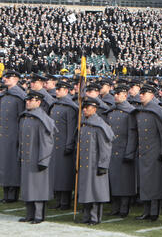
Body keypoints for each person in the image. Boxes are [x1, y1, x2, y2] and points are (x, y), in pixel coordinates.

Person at [18, 90, 57, 224]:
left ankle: (39, 215)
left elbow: (47, 143)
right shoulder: (25, 117)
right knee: (28, 187)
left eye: (31, 100)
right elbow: (21, 140)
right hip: (27, 158)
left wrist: (43, 160)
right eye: (27, 100)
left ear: (38, 102)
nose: (27, 102)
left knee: (38, 188)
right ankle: (29, 214)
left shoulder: (43, 119)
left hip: (38, 159)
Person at [134, 84, 162, 222]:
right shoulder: (141, 111)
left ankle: (154, 212)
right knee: (145, 183)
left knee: (154, 183)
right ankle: (146, 210)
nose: (141, 95)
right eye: (141, 92)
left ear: (152, 95)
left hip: (155, 153)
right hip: (144, 151)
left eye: (145, 93)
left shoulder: (158, 111)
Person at [77, 98, 114, 226]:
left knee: (95, 192)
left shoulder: (100, 126)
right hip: (85, 165)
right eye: (84, 108)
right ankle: (86, 215)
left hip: (95, 165)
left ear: (94, 109)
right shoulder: (84, 124)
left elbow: (105, 148)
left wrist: (103, 164)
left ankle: (95, 217)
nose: (85, 110)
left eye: (87, 108)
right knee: (86, 191)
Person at [105, 84, 138, 218]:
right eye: (115, 94)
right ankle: (115, 206)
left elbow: (132, 134)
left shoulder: (130, 112)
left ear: (125, 95)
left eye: (119, 94)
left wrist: (130, 152)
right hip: (112, 150)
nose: (116, 96)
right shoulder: (111, 111)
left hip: (124, 150)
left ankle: (124, 207)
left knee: (124, 181)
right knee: (114, 180)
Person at [48, 81, 79, 210]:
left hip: (64, 145)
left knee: (64, 175)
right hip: (54, 144)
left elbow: (72, 128)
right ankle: (59, 200)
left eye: (60, 90)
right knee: (56, 174)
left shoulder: (70, 107)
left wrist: (69, 144)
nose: (57, 91)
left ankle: (65, 202)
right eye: (57, 89)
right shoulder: (55, 105)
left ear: (66, 91)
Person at [0, 70, 26, 203]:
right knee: (4, 164)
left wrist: (20, 136)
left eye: (8, 77)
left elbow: (22, 118)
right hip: (3, 136)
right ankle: (5, 193)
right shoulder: (4, 96)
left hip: (13, 135)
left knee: (12, 165)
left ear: (16, 79)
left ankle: (13, 194)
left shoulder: (20, 96)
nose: (5, 79)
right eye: (4, 77)